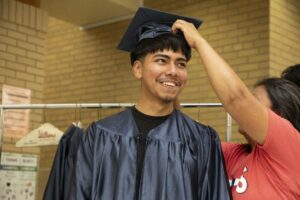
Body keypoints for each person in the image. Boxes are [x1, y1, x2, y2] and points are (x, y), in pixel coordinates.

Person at [71, 7, 232, 200]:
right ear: (138, 69)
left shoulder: (201, 140)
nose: (173, 71)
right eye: (162, 60)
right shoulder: (100, 135)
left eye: (181, 63)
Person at [172, 20, 300, 199]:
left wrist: (198, 42)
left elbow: (237, 98)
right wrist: (170, 86)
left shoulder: (290, 145)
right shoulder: (235, 154)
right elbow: (183, 138)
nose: (248, 108)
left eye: (255, 101)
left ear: (278, 115)